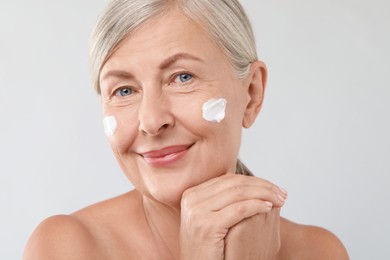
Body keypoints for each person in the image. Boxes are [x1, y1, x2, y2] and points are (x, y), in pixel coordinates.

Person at [24, 0, 349, 259]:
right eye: (124, 90)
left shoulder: (318, 252)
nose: (151, 121)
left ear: (251, 94)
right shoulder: (66, 248)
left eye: (182, 77)